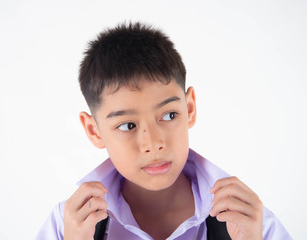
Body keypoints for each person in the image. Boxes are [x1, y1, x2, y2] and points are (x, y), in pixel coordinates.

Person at [36, 22, 291, 240]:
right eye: (127, 125)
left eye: (169, 115)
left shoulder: (250, 220)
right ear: (94, 131)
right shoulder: (67, 225)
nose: (154, 143)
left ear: (189, 108)